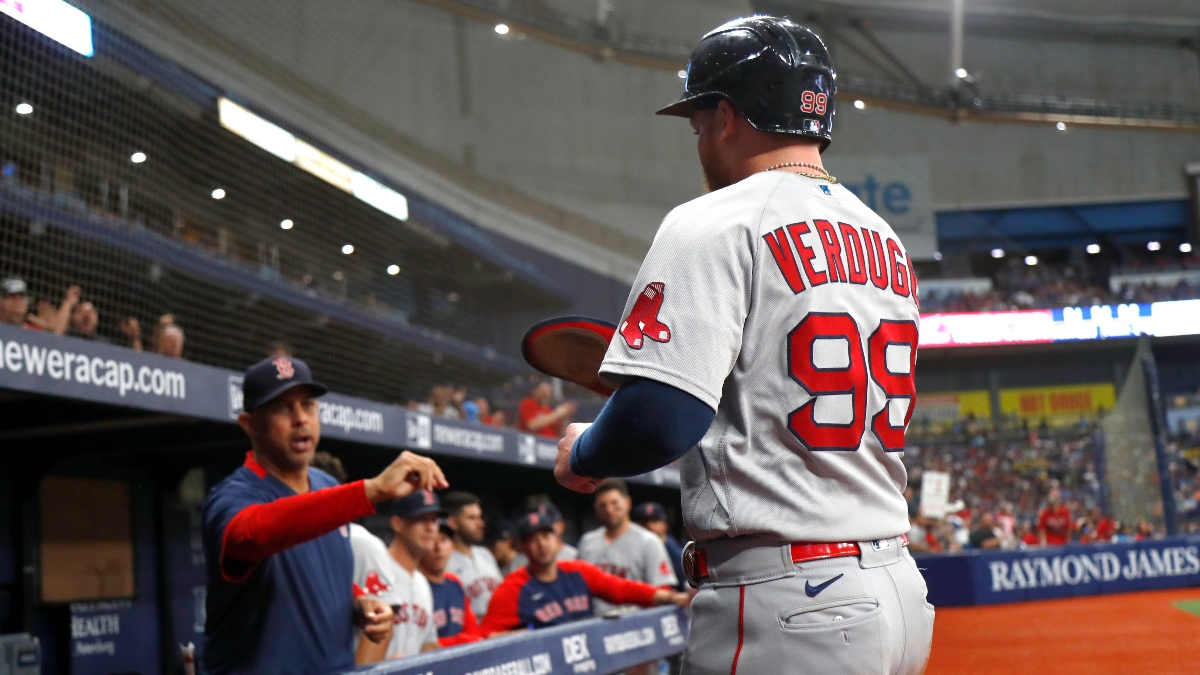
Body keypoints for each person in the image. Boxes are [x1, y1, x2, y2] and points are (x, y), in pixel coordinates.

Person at [552, 16, 933, 675]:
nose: (696, 136)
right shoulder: (883, 237)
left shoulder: (715, 218)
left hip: (789, 603)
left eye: (697, 118)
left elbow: (658, 418)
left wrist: (584, 451)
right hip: (898, 587)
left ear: (726, 115)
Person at [201, 355, 448, 675]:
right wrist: (370, 491)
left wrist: (359, 604)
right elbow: (252, 532)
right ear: (249, 425)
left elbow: (322, 575)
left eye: (308, 405)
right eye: (281, 408)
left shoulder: (326, 485)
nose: (300, 418)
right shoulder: (232, 495)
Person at [480, 512, 690, 633]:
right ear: (522, 548)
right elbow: (487, 637)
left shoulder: (577, 570)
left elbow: (621, 589)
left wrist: (674, 597)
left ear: (557, 541)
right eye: (532, 539)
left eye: (545, 536)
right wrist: (525, 636)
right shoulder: (513, 587)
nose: (541, 544)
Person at [352, 489, 444, 659]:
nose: (430, 528)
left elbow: (427, 642)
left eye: (434, 520)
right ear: (397, 523)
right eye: (421, 519)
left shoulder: (422, 582)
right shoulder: (375, 567)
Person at [577, 480, 677, 616]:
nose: (609, 509)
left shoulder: (649, 541)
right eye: (603, 505)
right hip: (595, 622)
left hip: (636, 621)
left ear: (627, 503)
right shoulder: (586, 542)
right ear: (596, 508)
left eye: (614, 504)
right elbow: (579, 590)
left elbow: (663, 590)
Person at [419, 520, 484, 647]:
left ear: (452, 546)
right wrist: (461, 642)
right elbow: (420, 646)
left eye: (443, 540)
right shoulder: (417, 586)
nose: (438, 548)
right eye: (432, 540)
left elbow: (474, 633)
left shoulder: (454, 582)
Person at [443, 491, 504, 617]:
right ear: (453, 523)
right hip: (472, 632)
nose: (480, 523)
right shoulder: (443, 561)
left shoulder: (485, 554)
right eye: (472, 518)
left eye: (479, 517)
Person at [504, 502, 579, 573]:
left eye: (548, 524)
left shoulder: (576, 556)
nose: (541, 543)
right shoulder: (518, 562)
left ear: (561, 526)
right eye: (533, 537)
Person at [632, 502, 687, 592]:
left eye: (654, 520)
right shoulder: (633, 549)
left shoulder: (677, 554)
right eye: (644, 522)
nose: (649, 526)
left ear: (665, 525)